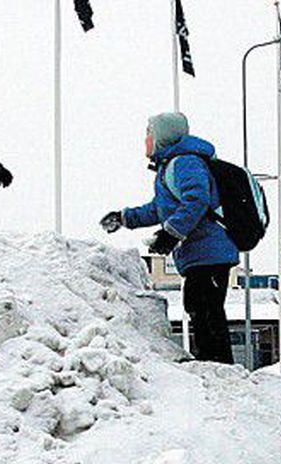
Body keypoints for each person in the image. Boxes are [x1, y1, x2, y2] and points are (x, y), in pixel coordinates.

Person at [102, 112, 239, 364]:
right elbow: (159, 208)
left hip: (210, 250)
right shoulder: (171, 166)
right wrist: (125, 217)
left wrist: (171, 233)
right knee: (199, 305)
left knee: (206, 307)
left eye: (148, 133)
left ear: (161, 137)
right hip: (202, 252)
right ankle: (210, 360)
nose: (145, 139)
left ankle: (217, 362)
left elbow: (197, 199)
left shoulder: (185, 162)